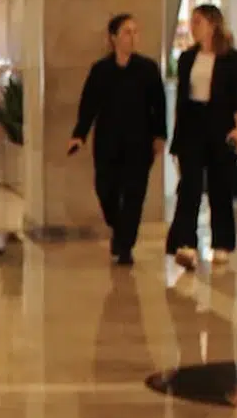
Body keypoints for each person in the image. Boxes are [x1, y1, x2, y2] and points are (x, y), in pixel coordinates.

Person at [67, 14, 167, 266]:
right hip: (108, 142)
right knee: (106, 189)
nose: (132, 37)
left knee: (134, 195)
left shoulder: (147, 69)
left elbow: (159, 105)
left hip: (139, 143)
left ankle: (125, 246)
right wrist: (79, 135)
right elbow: (88, 105)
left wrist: (160, 135)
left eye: (135, 32)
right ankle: (119, 228)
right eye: (126, 32)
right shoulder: (101, 70)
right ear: (113, 38)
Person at [167, 4, 237, 270]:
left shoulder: (231, 58)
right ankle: (185, 243)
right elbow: (181, 101)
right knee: (189, 185)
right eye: (192, 21)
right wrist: (177, 140)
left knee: (219, 185)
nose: (193, 27)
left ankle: (222, 243)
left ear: (213, 24)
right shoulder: (187, 58)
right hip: (192, 125)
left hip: (220, 125)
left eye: (198, 21)